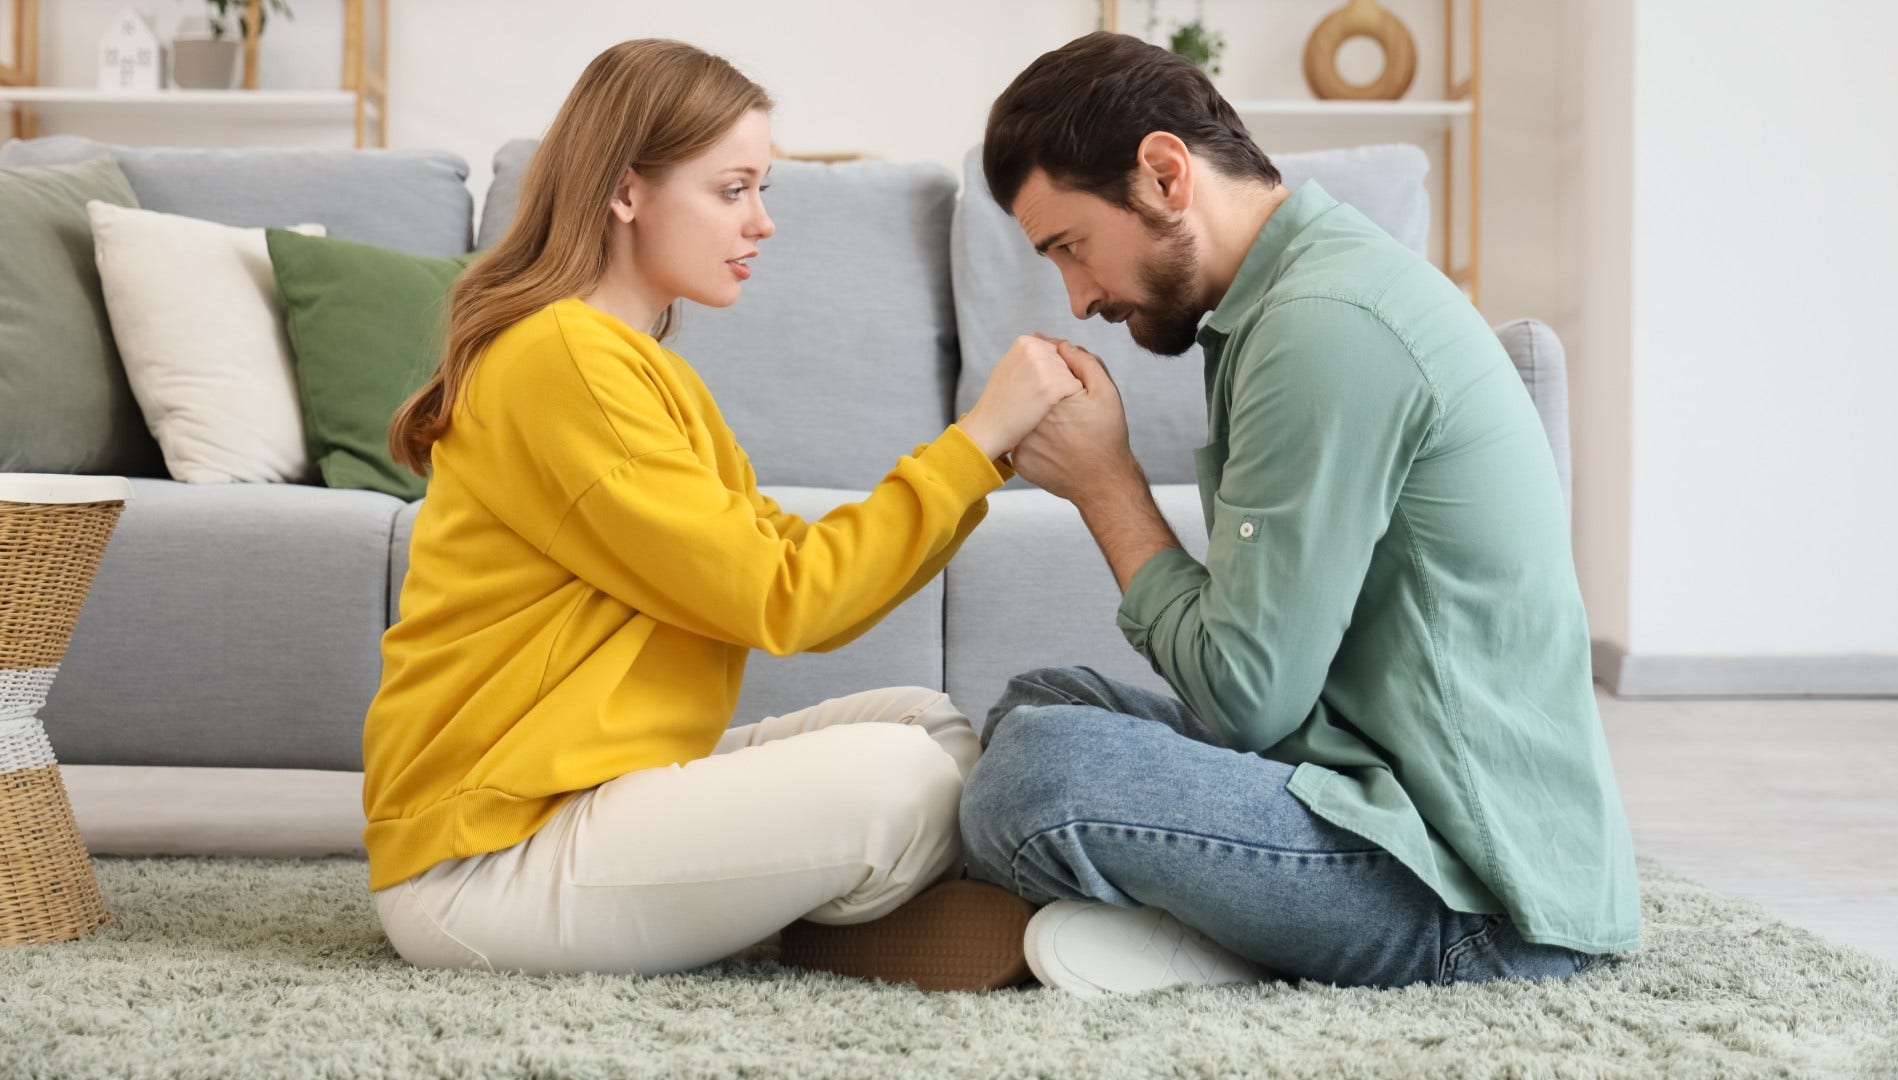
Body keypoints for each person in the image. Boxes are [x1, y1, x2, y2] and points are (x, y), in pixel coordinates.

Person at [361, 39, 1069, 991]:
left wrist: (981, 460)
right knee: (907, 781)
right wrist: (976, 441)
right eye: (732, 189)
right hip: (487, 862)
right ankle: (797, 924)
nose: (764, 223)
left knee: (929, 727)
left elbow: (787, 562)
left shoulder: (631, 363)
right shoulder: (564, 360)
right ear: (626, 192)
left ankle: (758, 912)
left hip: (599, 793)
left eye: (760, 189)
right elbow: (786, 599)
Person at [958, 32, 1642, 996]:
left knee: (1038, 773)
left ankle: (1198, 943)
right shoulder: (1288, 299)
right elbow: (1265, 694)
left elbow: (1245, 697)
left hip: (1476, 901)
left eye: (1071, 247)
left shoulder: (1324, 325)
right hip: (1369, 792)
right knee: (1043, 701)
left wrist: (1105, 487)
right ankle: (1177, 923)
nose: (1078, 298)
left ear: (1163, 174)